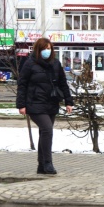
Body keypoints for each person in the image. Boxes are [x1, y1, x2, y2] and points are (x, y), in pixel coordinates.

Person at [16, 38, 74, 174]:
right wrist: (21, 105)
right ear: (38, 49)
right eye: (44, 48)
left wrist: (69, 101)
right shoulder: (30, 64)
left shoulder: (55, 63)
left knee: (44, 133)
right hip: (35, 103)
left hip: (51, 103)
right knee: (47, 130)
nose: (47, 51)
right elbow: (22, 84)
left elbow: (63, 84)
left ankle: (41, 166)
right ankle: (48, 163)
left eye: (49, 48)